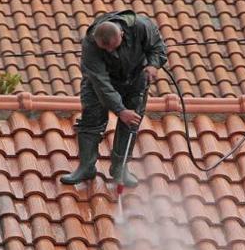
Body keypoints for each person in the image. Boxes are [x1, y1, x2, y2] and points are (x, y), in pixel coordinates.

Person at [60, 9, 167, 187]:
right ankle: (86, 167)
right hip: (98, 85)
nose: (110, 51)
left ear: (122, 35)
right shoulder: (90, 44)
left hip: (135, 81)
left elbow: (158, 48)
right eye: (105, 48)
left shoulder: (142, 27)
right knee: (91, 120)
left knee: (130, 122)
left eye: (113, 46)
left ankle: (120, 168)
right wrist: (119, 109)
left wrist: (153, 65)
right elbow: (101, 83)